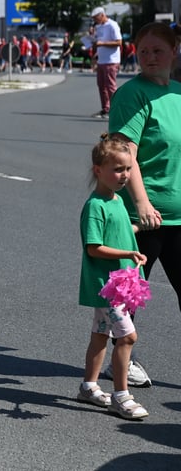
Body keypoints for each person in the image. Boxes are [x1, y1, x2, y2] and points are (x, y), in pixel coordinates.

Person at [109, 21, 181, 387]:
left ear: (174, 52)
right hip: (144, 218)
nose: (150, 57)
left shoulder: (180, 94)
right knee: (130, 293)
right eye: (144, 51)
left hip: (180, 215)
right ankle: (122, 356)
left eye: (158, 51)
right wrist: (140, 203)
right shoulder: (132, 95)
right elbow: (125, 155)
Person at [77, 134, 149, 419]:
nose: (124, 175)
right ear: (98, 170)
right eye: (118, 169)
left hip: (121, 286)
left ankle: (88, 386)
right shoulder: (95, 206)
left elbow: (117, 231)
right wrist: (129, 254)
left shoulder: (117, 201)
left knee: (100, 336)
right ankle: (121, 396)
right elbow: (94, 248)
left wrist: (135, 229)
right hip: (106, 286)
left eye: (128, 169)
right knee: (128, 337)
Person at [92, 6, 122, 119]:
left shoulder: (112, 25)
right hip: (101, 60)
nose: (95, 21)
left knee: (110, 86)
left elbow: (118, 42)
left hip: (111, 60)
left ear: (102, 15)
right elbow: (99, 41)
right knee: (101, 86)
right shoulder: (99, 27)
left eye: (96, 18)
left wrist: (102, 44)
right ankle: (106, 109)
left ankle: (115, 110)